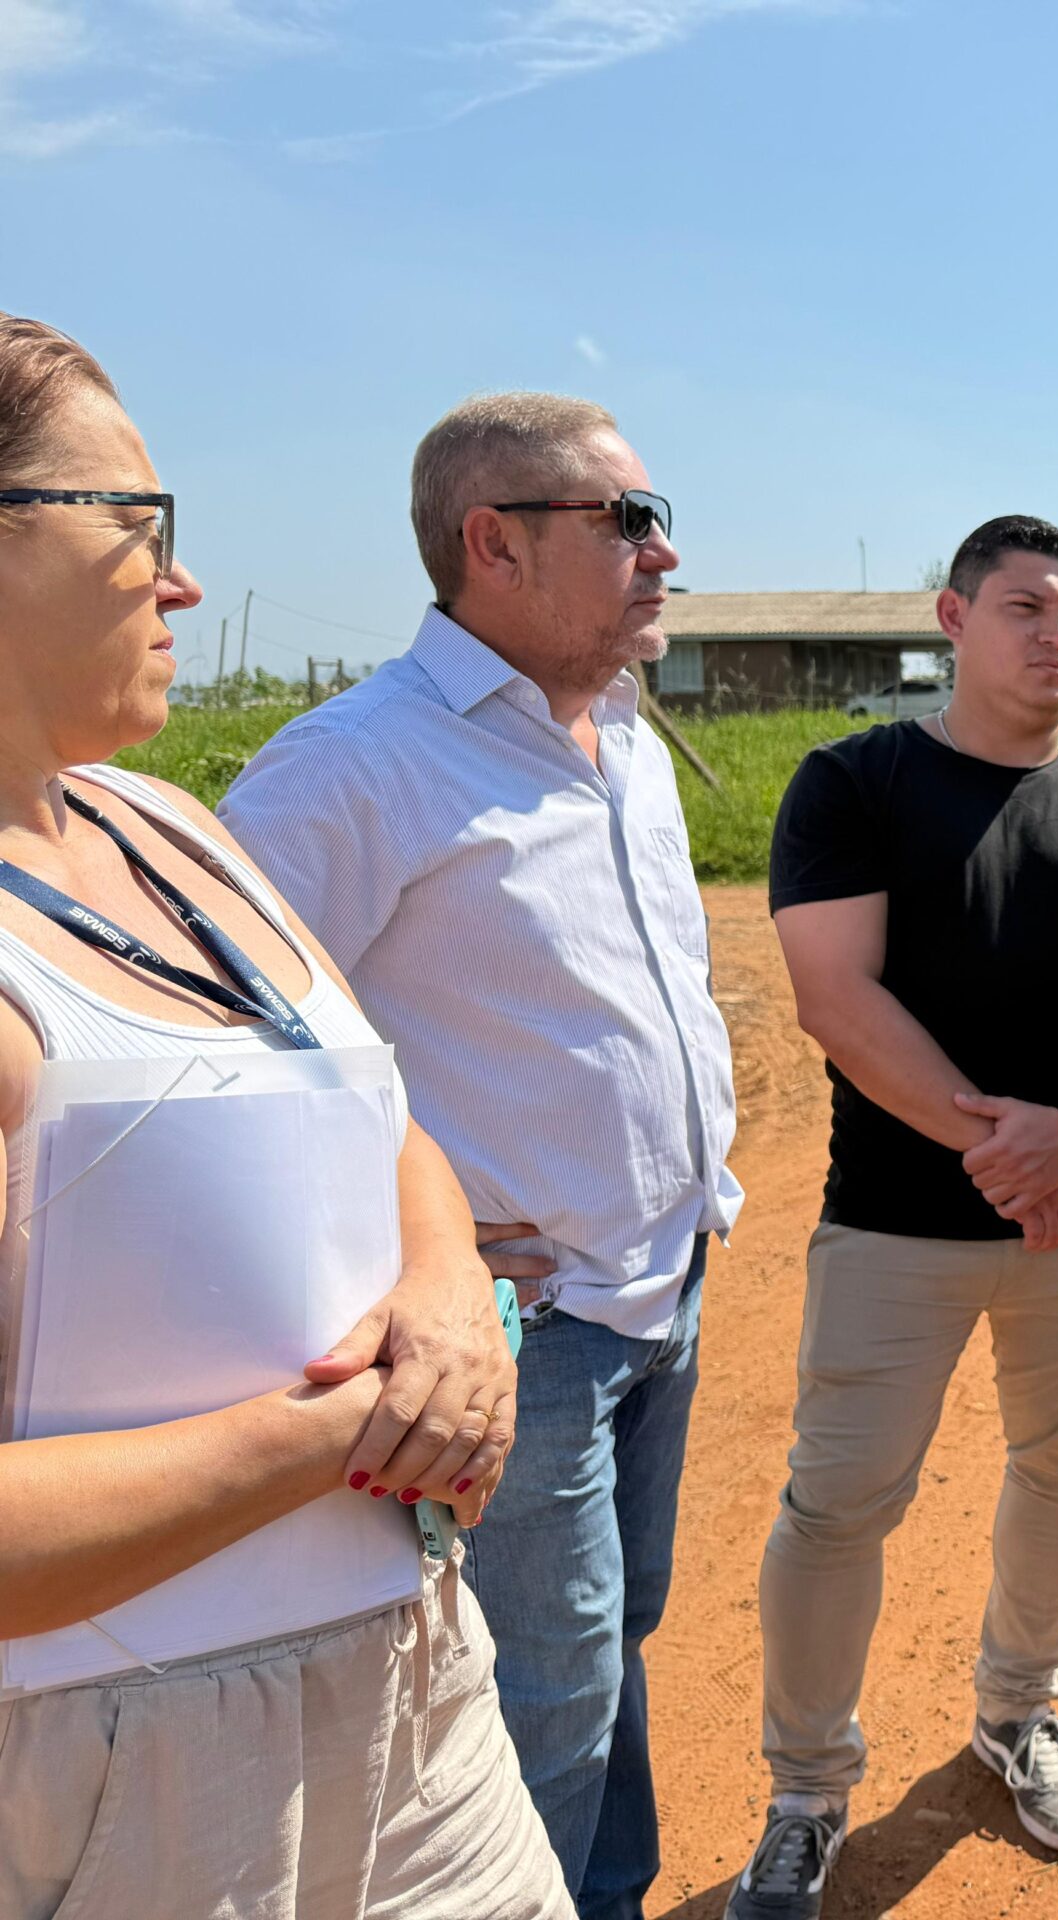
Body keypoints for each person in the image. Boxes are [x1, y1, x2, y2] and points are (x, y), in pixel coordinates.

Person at [0, 316, 569, 1915]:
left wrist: (449, 1298)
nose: (181, 582)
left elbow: (380, 1117)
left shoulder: (169, 825)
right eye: (137, 522)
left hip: (417, 1677)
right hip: (129, 1776)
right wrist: (347, 1436)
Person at [220, 392, 742, 1920]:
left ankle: (609, 1895)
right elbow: (222, 1045)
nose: (665, 552)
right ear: (493, 544)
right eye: (628, 520)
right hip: (525, 1334)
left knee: (615, 1642)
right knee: (538, 1706)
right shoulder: (353, 766)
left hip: (665, 1290)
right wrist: (406, 1247)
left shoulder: (627, 738)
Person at [725, 515, 1058, 1920]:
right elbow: (835, 997)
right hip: (895, 1227)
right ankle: (806, 1792)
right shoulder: (858, 784)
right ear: (952, 618)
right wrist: (1007, 1152)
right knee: (837, 1507)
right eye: (1026, 609)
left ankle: (1018, 1714)